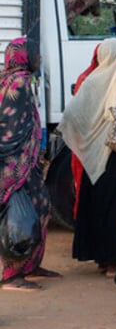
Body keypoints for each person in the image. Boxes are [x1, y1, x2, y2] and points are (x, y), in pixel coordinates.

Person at [61, 38, 116, 276]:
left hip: (94, 157)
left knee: (96, 204)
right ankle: (112, 260)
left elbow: (72, 115)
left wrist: (89, 138)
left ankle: (100, 258)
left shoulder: (90, 82)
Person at [0, 38, 57, 291]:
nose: (39, 59)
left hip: (25, 163)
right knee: (18, 217)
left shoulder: (9, 78)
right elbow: (11, 131)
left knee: (40, 207)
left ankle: (31, 265)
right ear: (24, 57)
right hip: (15, 165)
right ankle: (10, 275)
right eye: (36, 55)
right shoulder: (19, 83)